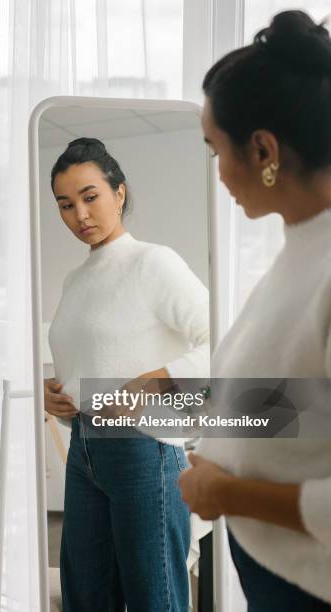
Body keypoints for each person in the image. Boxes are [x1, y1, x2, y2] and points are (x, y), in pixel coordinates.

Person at [178, 10, 331, 612]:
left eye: (216, 149)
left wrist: (229, 491)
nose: (219, 173)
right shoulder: (301, 249)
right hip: (274, 571)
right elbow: (302, 403)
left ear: (264, 148)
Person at [44, 137, 210, 612]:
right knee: (86, 597)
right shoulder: (75, 280)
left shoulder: (153, 263)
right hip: (85, 450)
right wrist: (55, 398)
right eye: (66, 205)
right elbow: (85, 364)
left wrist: (160, 378)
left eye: (90, 196)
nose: (80, 215)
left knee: (152, 598)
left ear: (119, 193)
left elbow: (223, 340)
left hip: (145, 448)